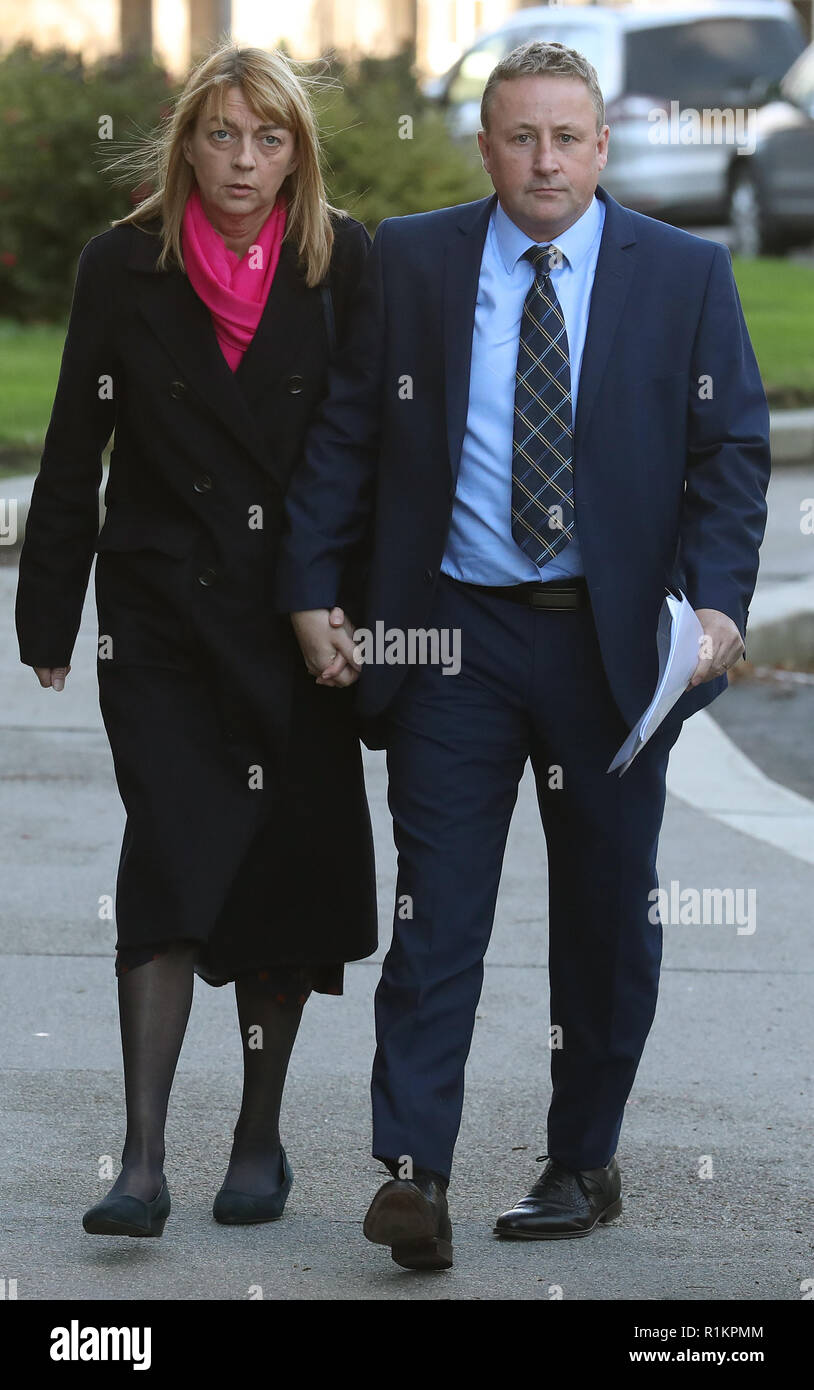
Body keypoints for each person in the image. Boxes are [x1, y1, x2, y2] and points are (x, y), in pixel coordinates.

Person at [277, 40, 770, 1271]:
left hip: (614, 648)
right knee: (436, 910)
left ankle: (581, 1156)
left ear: (601, 148)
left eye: (566, 136)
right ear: (484, 144)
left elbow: (731, 456)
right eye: (518, 136)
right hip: (453, 634)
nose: (542, 159)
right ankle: (413, 1171)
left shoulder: (684, 274)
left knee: (607, 918)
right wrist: (306, 590)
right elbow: (345, 436)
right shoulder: (412, 261)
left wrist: (713, 611)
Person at [15, 42, 377, 1238]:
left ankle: (259, 1134)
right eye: (221, 135)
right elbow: (78, 443)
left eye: (268, 139)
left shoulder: (341, 261)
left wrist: (350, 606)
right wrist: (47, 608)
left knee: (280, 865)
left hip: (293, 615)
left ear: (297, 151)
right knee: (167, 854)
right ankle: (140, 1158)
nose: (243, 161)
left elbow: (361, 450)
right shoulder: (123, 264)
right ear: (186, 141)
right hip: (161, 618)